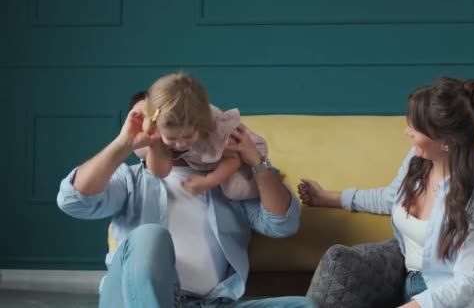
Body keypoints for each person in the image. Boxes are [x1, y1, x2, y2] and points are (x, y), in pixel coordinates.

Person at [57, 91, 314, 308]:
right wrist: (122, 144)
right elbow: (74, 201)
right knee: (149, 237)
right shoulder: (131, 180)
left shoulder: (231, 182)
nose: (157, 131)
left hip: (211, 303)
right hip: (129, 297)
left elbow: (282, 224)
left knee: (305, 306)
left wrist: (256, 161)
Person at [298, 77, 474, 308]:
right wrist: (326, 198)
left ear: (447, 141)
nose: (407, 131)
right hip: (409, 278)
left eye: (415, 126)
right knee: (339, 263)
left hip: (451, 298)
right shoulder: (417, 160)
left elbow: (468, 281)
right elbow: (388, 199)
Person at [144, 72, 268, 201]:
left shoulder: (215, 130)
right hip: (210, 161)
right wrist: (154, 144)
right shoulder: (162, 125)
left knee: (234, 190)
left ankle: (266, 183)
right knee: (142, 150)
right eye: (172, 139)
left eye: (188, 136)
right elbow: (160, 172)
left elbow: (233, 159)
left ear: (200, 125)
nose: (180, 144)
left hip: (242, 157)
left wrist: (210, 180)